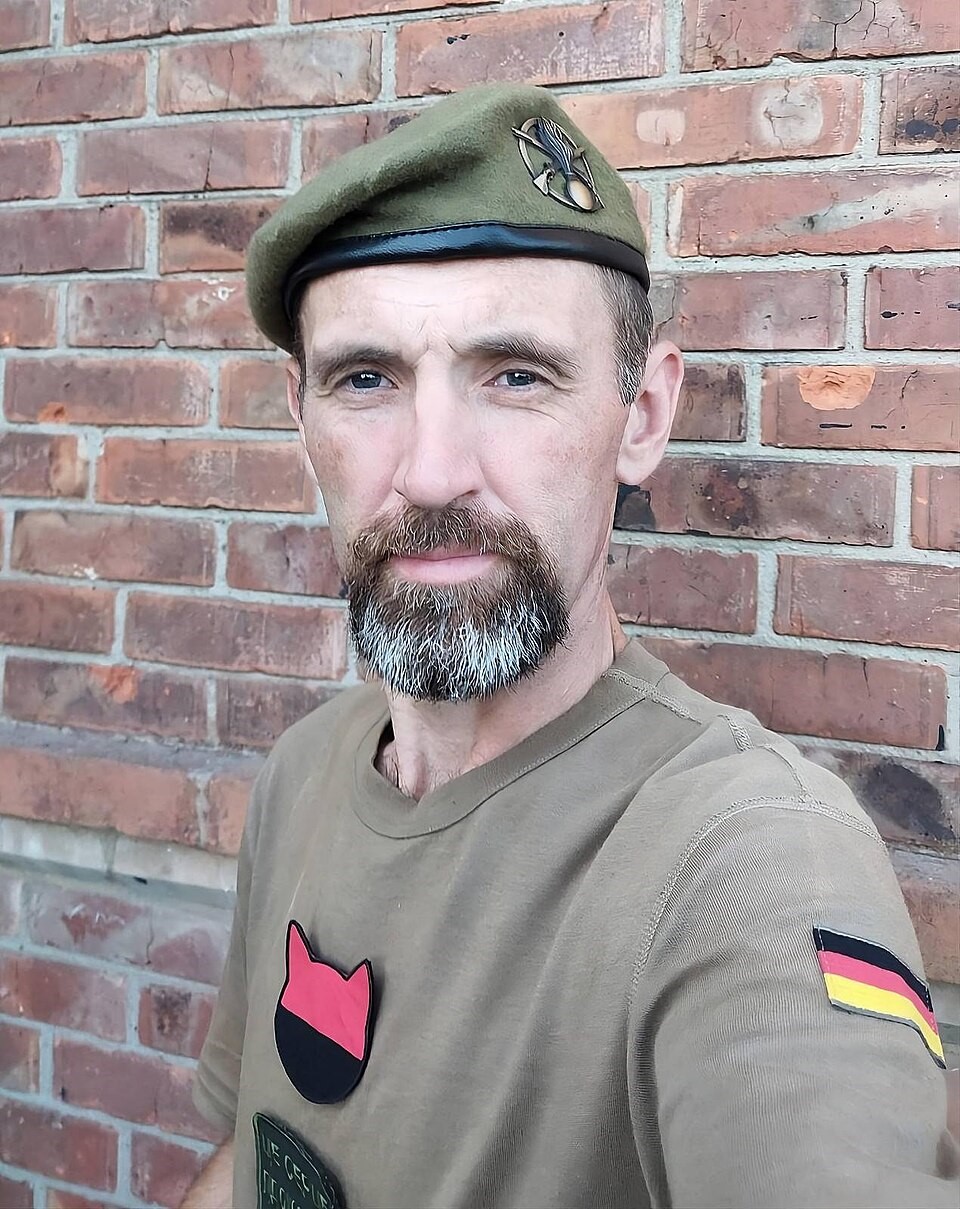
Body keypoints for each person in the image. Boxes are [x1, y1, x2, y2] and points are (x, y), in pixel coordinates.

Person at [185, 84, 959, 1209]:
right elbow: (252, 1156)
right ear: (301, 415)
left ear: (642, 415)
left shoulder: (747, 858)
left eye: (517, 376)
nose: (432, 472)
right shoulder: (302, 772)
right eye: (367, 379)